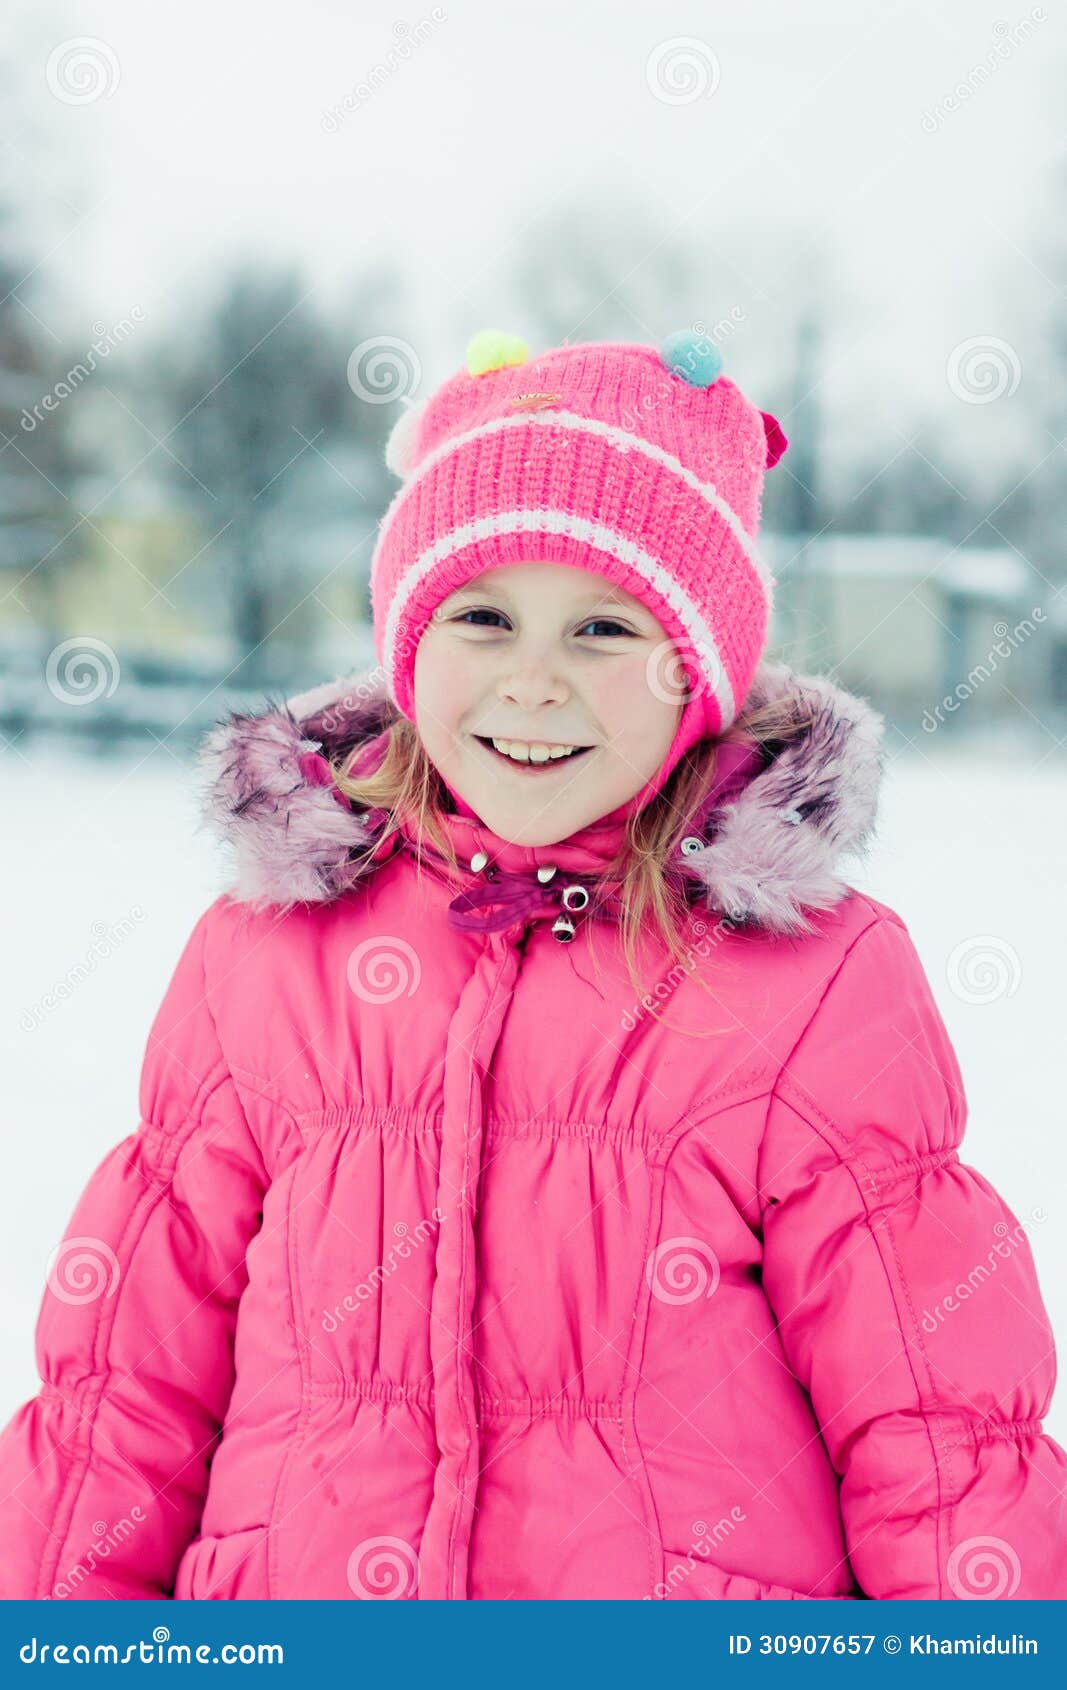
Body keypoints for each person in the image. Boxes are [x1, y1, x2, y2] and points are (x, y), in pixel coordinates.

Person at [1, 330, 1063, 1601]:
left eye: (606, 627)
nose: (534, 681)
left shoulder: (811, 980)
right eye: (483, 616)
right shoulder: (268, 953)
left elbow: (935, 1425)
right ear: (407, 644)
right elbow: (128, 1382)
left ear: (699, 678)